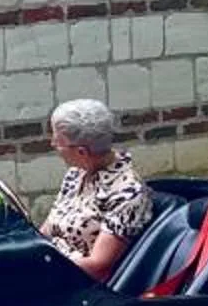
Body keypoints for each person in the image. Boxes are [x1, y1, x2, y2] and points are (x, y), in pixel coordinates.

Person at [39, 97, 151, 281]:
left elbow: (98, 266)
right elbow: (46, 232)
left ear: (82, 152)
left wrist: (41, 268)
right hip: (49, 267)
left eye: (58, 141)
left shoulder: (127, 193)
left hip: (77, 284)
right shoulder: (76, 174)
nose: (52, 144)